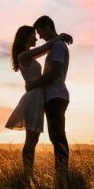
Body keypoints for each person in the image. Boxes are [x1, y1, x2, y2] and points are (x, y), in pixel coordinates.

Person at [5, 25, 73, 173]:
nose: (36, 38)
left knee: (33, 140)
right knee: (31, 141)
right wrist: (60, 36)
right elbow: (46, 47)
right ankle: (27, 173)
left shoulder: (28, 54)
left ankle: (28, 173)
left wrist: (58, 41)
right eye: (33, 35)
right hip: (33, 99)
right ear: (26, 37)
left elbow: (46, 49)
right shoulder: (24, 55)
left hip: (37, 98)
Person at [25, 15, 70, 178]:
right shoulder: (55, 45)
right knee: (56, 137)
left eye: (40, 31)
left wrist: (33, 84)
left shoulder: (58, 46)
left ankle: (62, 176)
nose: (39, 36)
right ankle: (61, 175)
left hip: (56, 97)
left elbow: (54, 73)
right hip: (53, 97)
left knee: (57, 138)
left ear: (47, 27)